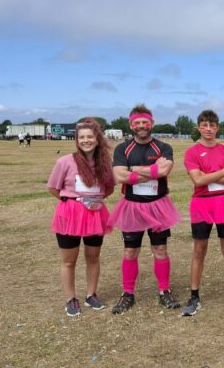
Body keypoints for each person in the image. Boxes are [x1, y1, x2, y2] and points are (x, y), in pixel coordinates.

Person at [108, 104, 182, 314]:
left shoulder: (163, 147)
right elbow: (119, 176)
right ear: (131, 125)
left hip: (158, 206)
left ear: (152, 123)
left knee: (160, 250)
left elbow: (164, 171)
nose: (141, 126)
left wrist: (133, 170)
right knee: (130, 251)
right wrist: (151, 170)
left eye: (145, 122)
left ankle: (164, 291)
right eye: (137, 123)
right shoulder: (122, 149)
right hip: (132, 206)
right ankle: (128, 294)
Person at [181, 110, 224, 316]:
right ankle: (194, 295)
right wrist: (223, 171)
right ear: (198, 127)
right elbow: (198, 180)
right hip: (201, 204)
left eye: (212, 125)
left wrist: (208, 175)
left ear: (217, 127)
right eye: (204, 125)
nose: (208, 129)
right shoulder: (192, 152)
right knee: (199, 250)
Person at [47, 119, 115, 316]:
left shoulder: (104, 163)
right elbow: (53, 187)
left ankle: (91, 294)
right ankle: (71, 299)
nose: (86, 140)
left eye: (90, 137)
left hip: (95, 214)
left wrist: (93, 201)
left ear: (97, 139)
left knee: (93, 257)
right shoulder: (65, 162)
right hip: (70, 215)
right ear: (77, 140)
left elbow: (109, 187)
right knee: (69, 260)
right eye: (82, 137)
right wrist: (73, 203)